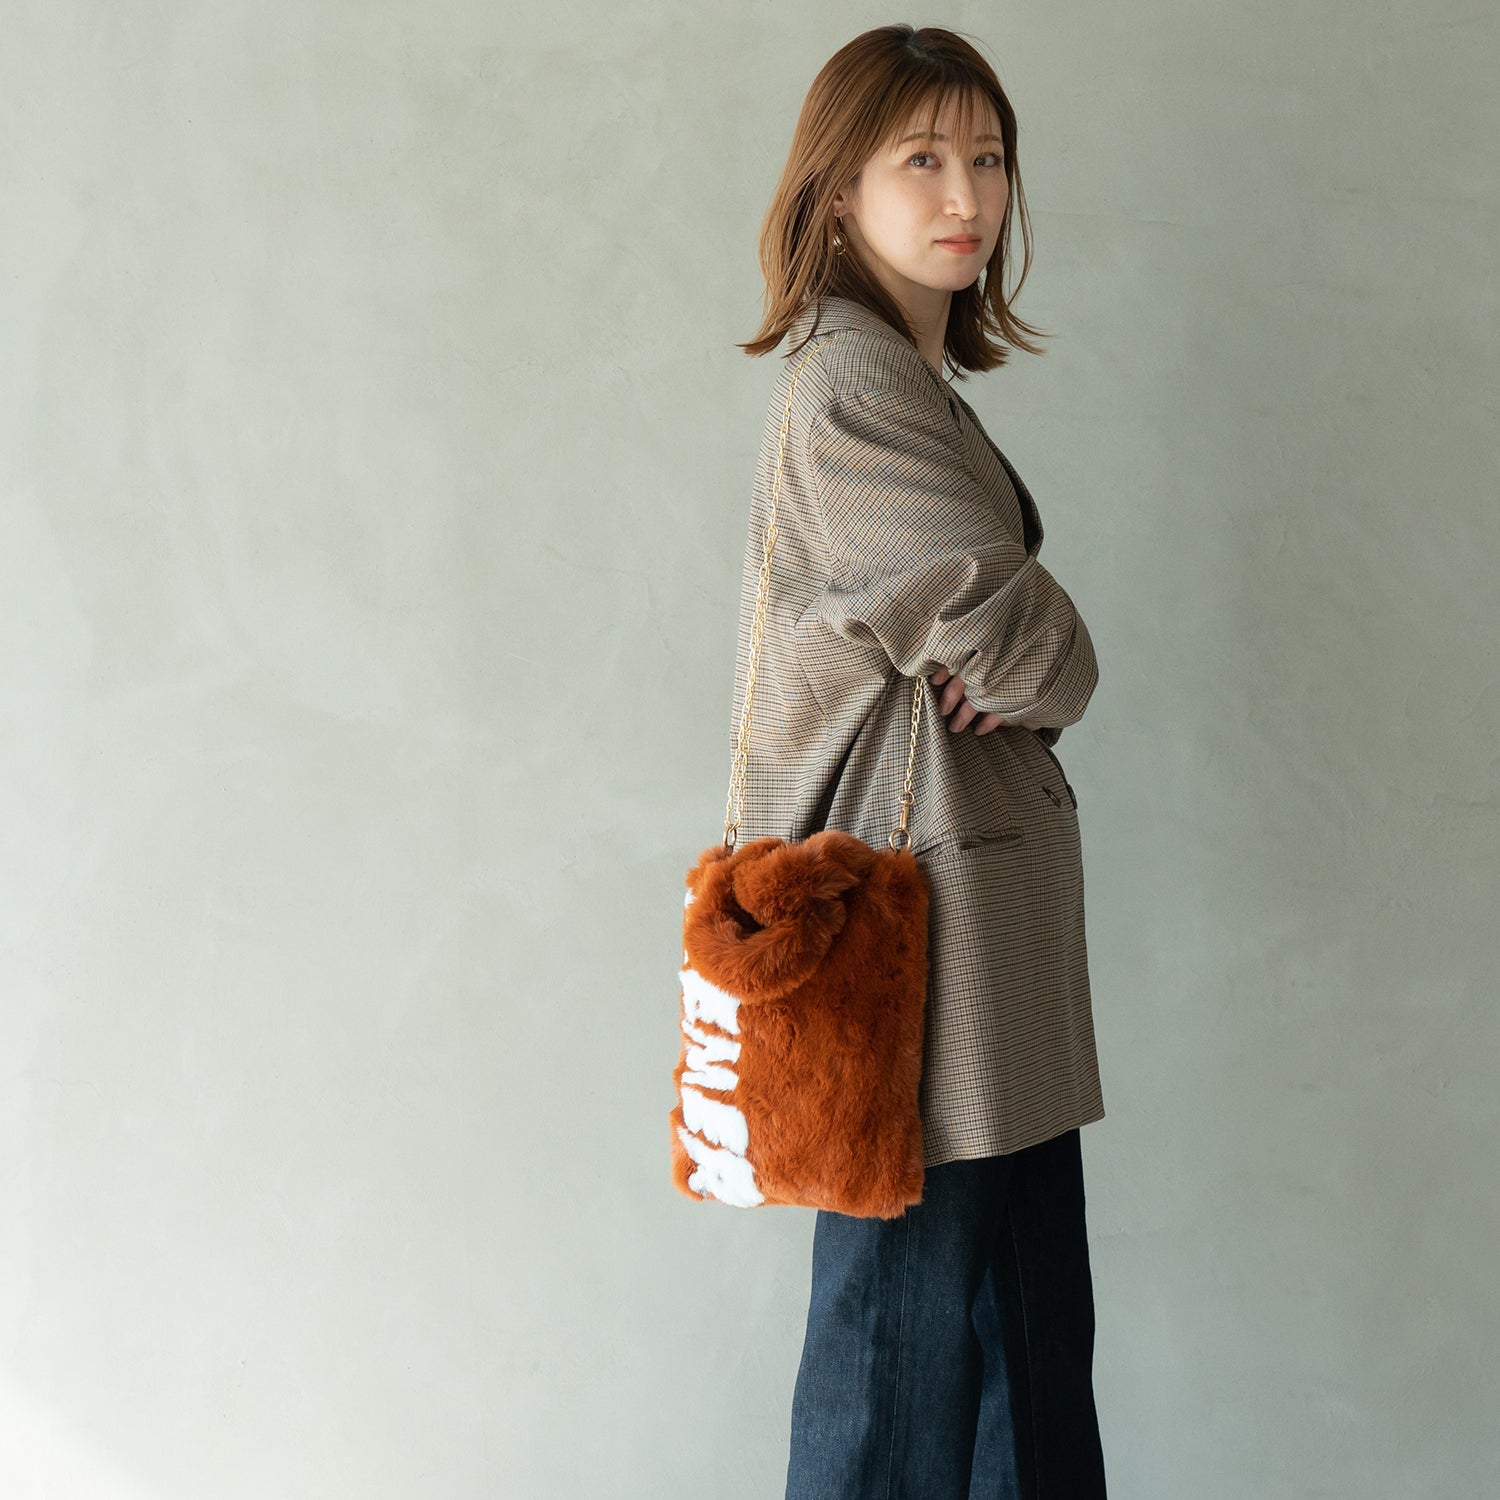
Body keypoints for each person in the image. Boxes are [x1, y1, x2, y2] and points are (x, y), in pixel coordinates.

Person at [728, 25, 1110, 1499]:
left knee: (1023, 1338)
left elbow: (988, 631)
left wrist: (1013, 643)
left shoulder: (907, 381)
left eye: (990, 157)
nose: (968, 195)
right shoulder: (854, 386)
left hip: (971, 927)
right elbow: (1017, 636)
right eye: (923, 159)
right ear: (839, 191)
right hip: (914, 933)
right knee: (901, 1352)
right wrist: (1056, 651)